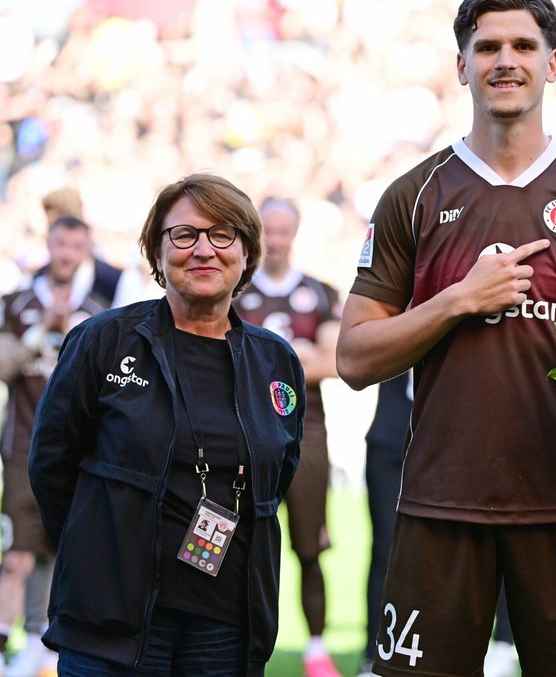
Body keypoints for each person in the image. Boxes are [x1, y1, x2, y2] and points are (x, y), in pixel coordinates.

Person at [335, 0, 556, 677]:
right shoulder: (415, 194)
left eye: (524, 45)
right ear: (461, 64)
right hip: (442, 502)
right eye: (487, 46)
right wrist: (457, 301)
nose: (506, 59)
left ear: (552, 63)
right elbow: (352, 356)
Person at [28, 173, 304, 675]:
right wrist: (96, 550)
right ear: (157, 252)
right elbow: (52, 466)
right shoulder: (103, 341)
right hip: (112, 624)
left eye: (223, 234)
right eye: (183, 235)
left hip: (228, 628)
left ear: (246, 254)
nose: (203, 249)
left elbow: (277, 475)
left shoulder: (276, 362)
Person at [234, 197, 345, 677]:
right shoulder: (235, 291)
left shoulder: (319, 292)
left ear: (294, 233)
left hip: (305, 431)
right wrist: (297, 355)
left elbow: (334, 362)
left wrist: (262, 359)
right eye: (268, 230)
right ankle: (236, 642)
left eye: (283, 230)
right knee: (238, 544)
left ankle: (316, 649)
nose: (275, 240)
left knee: (308, 544)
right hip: (242, 432)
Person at [0, 215, 109, 677]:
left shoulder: (98, 309)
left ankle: (44, 648)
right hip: (24, 445)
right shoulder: (17, 302)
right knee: (18, 553)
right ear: (48, 243)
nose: (66, 253)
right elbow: (4, 367)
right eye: (60, 244)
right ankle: (7, 646)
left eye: (75, 246)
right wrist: (45, 327)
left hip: (78, 453)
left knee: (63, 551)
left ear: (86, 249)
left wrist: (72, 334)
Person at [355, 372, 519, 677]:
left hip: (465, 426)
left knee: (491, 532)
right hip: (395, 427)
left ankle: (502, 643)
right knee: (386, 546)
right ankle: (375, 652)